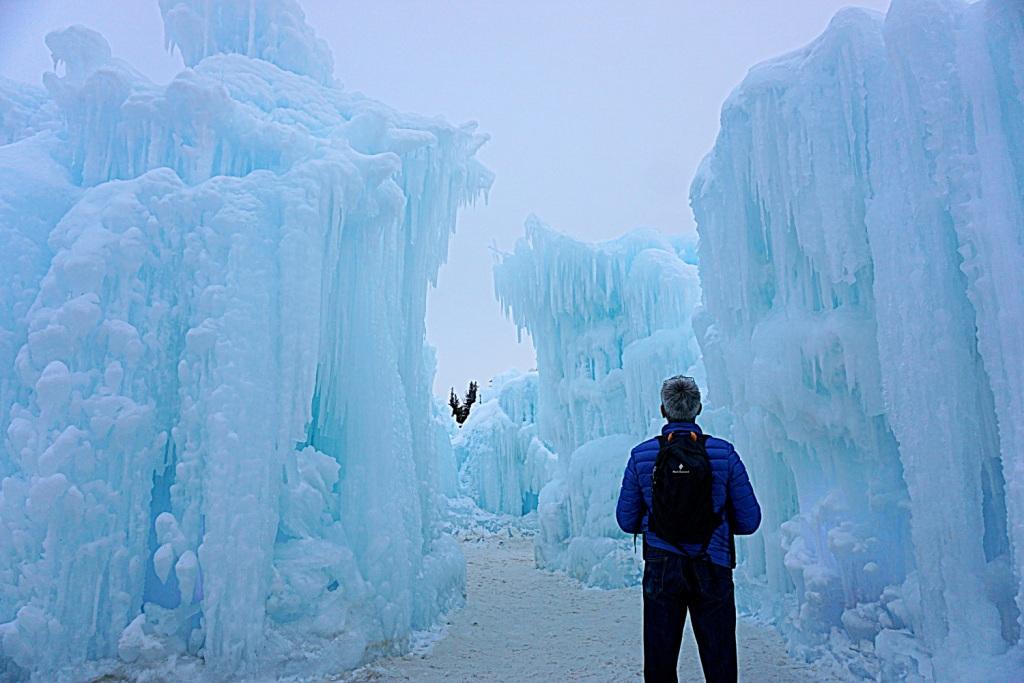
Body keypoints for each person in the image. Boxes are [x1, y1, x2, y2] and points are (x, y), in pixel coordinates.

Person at [616, 375, 761, 683]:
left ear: (662, 410)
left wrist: (658, 523)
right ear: (698, 408)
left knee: (660, 656)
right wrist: (714, 524)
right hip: (713, 562)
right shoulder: (724, 453)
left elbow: (626, 520)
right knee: (719, 655)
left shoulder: (642, 455)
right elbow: (750, 521)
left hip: (661, 564)